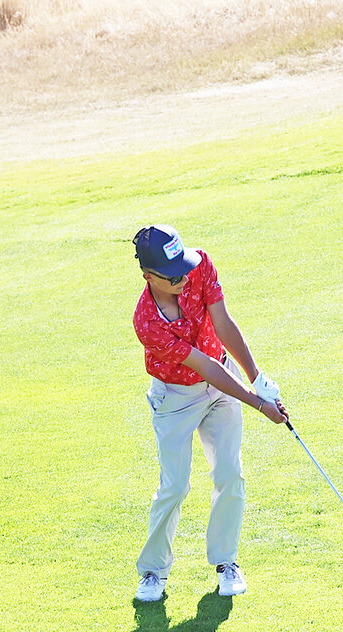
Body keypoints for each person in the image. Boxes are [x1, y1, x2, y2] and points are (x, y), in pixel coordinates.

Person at [131, 224, 288, 602]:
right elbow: (203, 367)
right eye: (173, 276)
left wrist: (257, 378)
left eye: (184, 267)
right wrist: (257, 404)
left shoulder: (199, 265)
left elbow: (223, 324)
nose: (184, 278)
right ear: (148, 276)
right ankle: (153, 572)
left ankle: (226, 562)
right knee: (175, 485)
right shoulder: (147, 321)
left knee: (229, 473)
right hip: (175, 398)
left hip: (222, 382)